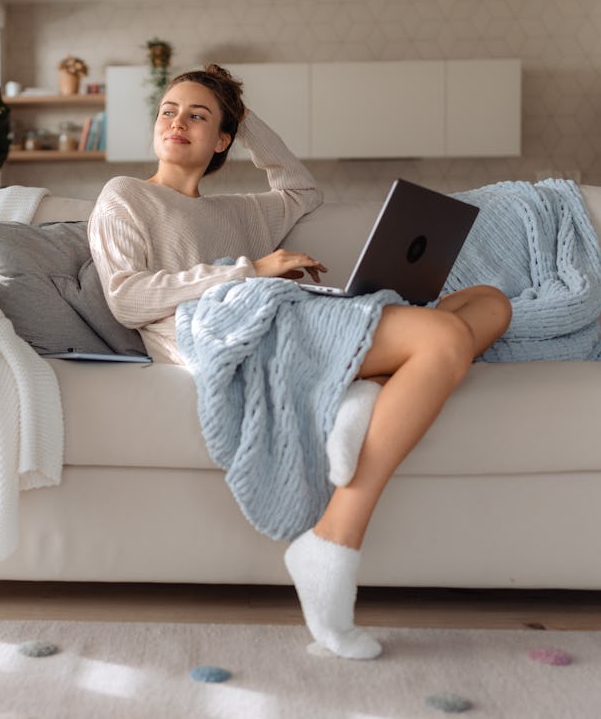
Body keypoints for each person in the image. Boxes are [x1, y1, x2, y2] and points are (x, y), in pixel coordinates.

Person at [88, 64, 512, 660]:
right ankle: (332, 541)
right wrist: (250, 270)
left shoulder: (239, 210)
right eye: (168, 110)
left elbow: (302, 191)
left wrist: (240, 110)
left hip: (280, 309)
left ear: (223, 141)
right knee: (443, 339)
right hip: (226, 329)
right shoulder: (124, 196)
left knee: (492, 305)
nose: (176, 121)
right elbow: (127, 296)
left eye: (197, 115)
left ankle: (356, 392)